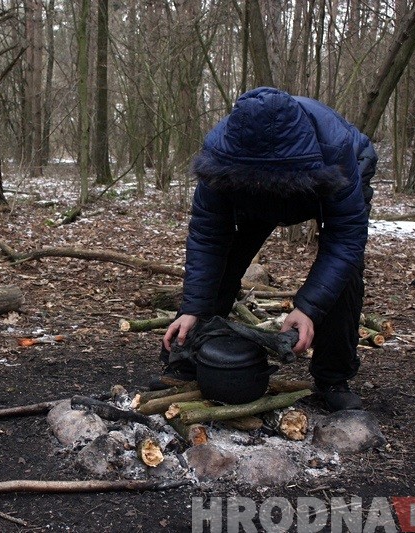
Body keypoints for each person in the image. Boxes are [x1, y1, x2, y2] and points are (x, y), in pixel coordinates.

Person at [159, 87, 377, 412]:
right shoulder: (220, 154)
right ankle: (188, 361)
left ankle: (333, 378)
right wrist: (193, 307)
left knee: (343, 279)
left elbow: (344, 239)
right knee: (222, 266)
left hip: (321, 180)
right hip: (249, 187)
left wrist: (308, 308)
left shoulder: (337, 150)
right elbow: (208, 236)